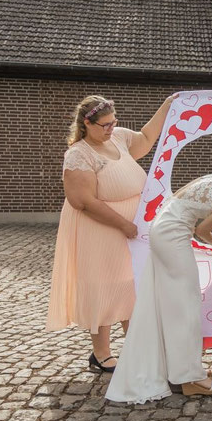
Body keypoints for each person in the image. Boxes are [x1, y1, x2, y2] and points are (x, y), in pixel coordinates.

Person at [105, 171, 212, 404]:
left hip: (165, 227)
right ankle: (190, 378)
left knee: (173, 304)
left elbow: (198, 199)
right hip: (173, 235)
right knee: (186, 306)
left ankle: (180, 369)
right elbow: (202, 231)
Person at [47, 93, 179, 373]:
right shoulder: (79, 154)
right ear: (86, 124)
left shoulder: (117, 137)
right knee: (104, 287)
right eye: (104, 125)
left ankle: (137, 345)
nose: (110, 128)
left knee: (132, 287)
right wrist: (122, 224)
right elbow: (82, 201)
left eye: (112, 122)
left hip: (129, 231)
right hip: (101, 230)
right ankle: (101, 353)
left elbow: (144, 138)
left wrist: (166, 105)